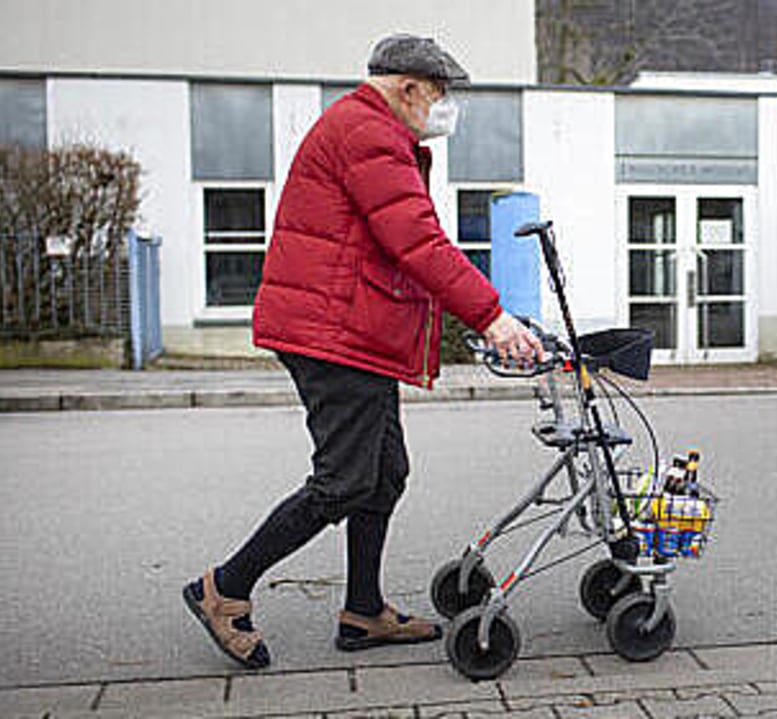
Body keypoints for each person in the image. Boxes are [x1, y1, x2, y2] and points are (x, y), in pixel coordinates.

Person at [183, 34, 543, 669]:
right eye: (438, 95)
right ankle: (225, 587)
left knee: (385, 474)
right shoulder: (369, 134)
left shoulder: (369, 129)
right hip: (332, 334)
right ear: (407, 89)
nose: (442, 109)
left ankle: (363, 610)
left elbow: (401, 243)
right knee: (345, 481)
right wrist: (492, 319)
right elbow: (419, 243)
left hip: (350, 330)